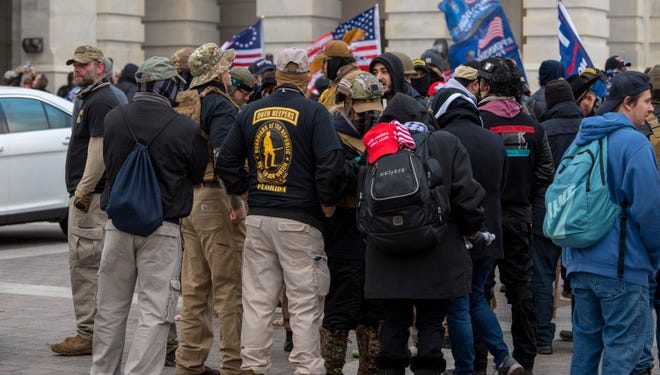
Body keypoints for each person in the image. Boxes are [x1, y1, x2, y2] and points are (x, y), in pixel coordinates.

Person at [216, 47, 344, 375]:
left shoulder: (251, 111)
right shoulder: (315, 114)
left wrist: (245, 191)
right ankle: (305, 368)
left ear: (278, 75)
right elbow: (331, 163)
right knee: (304, 303)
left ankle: (254, 366)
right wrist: (327, 203)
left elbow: (225, 161)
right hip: (301, 220)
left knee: (258, 301)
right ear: (304, 77)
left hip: (259, 217)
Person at [90, 56, 207, 375]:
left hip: (117, 224)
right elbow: (197, 175)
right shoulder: (186, 128)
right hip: (163, 228)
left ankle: (102, 370)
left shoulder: (114, 118)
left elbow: (109, 163)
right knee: (156, 311)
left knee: (109, 309)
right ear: (170, 86)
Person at [364, 93, 486, 375]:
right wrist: (473, 231)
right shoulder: (445, 142)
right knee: (431, 321)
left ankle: (391, 370)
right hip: (437, 250)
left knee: (394, 321)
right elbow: (467, 197)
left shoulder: (377, 145)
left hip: (387, 253)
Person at [563, 71, 660, 375]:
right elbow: (649, 211)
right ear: (627, 103)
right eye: (646, 101)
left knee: (585, 351)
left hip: (580, 262)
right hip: (622, 266)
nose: (651, 108)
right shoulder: (634, 143)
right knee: (622, 353)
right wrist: (653, 258)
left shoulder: (583, 137)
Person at [431, 86, 522, 375]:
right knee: (476, 297)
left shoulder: (442, 140)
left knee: (459, 305)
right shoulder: (494, 139)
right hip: (492, 231)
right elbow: (503, 185)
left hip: (457, 234)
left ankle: (466, 368)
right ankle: (504, 358)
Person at [477, 57, 555, 374]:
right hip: (519, 217)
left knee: (479, 293)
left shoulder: (478, 122)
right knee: (521, 290)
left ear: (486, 86)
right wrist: (523, 194)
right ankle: (526, 358)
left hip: (484, 219)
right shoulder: (533, 125)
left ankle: (480, 361)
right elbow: (545, 171)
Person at [174, 43, 246, 375]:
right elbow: (224, 158)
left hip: (189, 201)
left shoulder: (185, 102)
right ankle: (233, 364)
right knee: (229, 289)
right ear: (219, 72)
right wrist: (236, 204)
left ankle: (189, 362)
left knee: (194, 288)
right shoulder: (221, 105)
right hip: (216, 199)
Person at [50, 45, 121, 356]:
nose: (77, 70)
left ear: (99, 68)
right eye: (75, 66)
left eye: (83, 65)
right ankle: (93, 332)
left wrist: (82, 192)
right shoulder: (94, 97)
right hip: (91, 197)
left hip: (89, 201)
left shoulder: (100, 100)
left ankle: (87, 334)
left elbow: (99, 151)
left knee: (84, 266)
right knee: (91, 266)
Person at [321, 71, 385, 375]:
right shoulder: (330, 134)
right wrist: (358, 164)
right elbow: (328, 184)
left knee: (373, 309)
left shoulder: (382, 131)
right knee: (340, 308)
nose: (367, 116)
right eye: (362, 108)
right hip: (343, 228)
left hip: (374, 230)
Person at [528, 79, 583, 356]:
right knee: (580, 273)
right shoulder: (589, 127)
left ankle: (541, 336)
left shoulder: (542, 131)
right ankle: (582, 330)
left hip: (545, 211)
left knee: (542, 274)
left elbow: (534, 175)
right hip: (582, 213)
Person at [316, 40, 361, 109]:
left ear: (334, 63)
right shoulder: (339, 83)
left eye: (325, 62)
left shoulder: (350, 84)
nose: (322, 68)